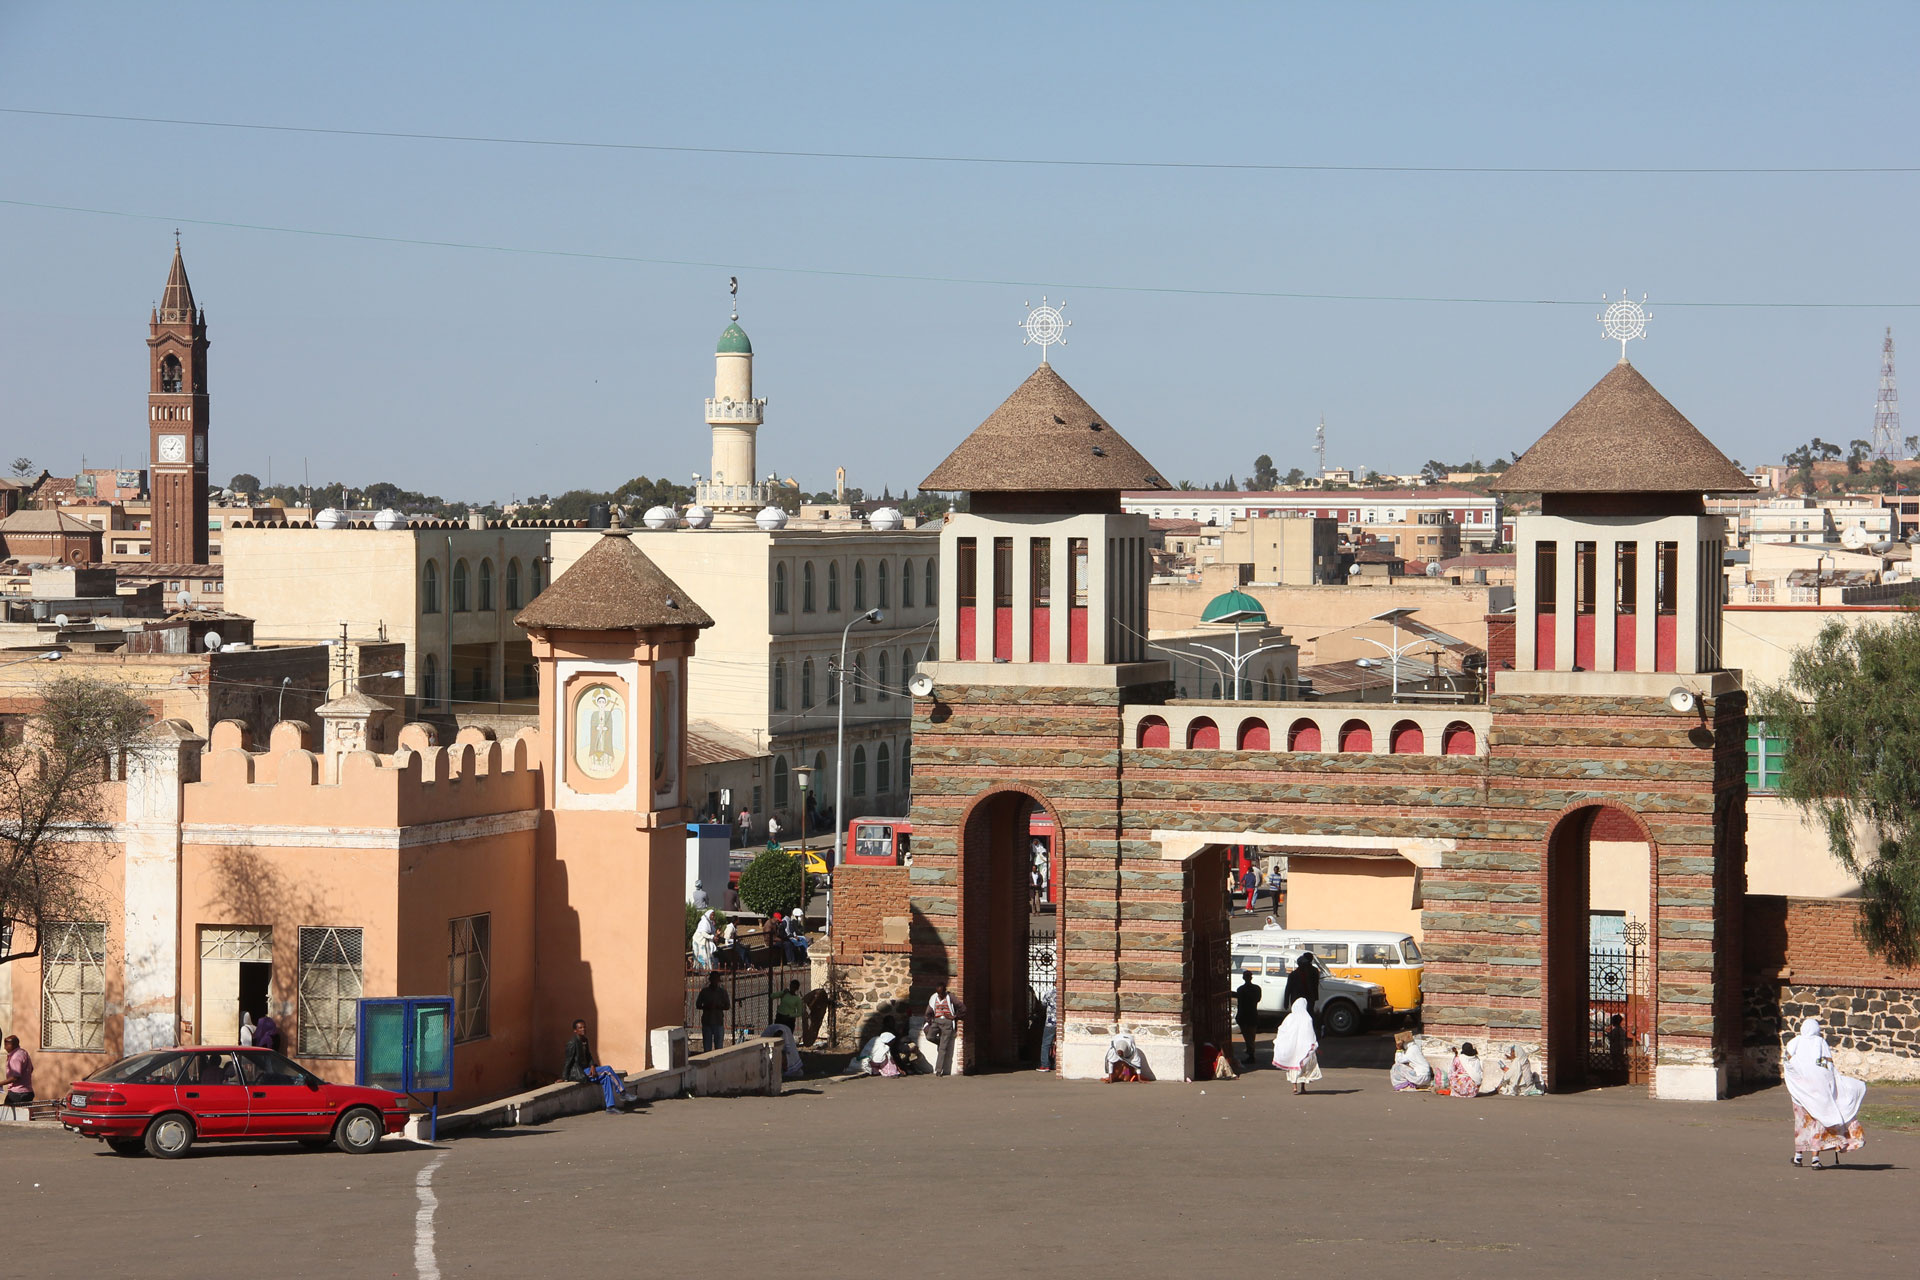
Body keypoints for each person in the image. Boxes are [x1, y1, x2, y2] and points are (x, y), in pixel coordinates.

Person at [1784, 1016, 1866, 1168]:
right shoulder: (1820, 1042)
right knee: (1818, 1123)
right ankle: (1815, 1158)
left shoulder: (1794, 1042)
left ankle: (1798, 1156)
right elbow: (1826, 1064)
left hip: (1799, 1092)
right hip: (1819, 1091)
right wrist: (1822, 1077)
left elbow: (1787, 1062)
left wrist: (1801, 1073)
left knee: (1801, 1123)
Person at [1271, 997, 1321, 1093]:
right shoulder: (1307, 1018)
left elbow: (1282, 1029)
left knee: (1293, 1066)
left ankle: (1294, 1087)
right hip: (1304, 1047)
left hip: (1292, 1047)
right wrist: (1313, 1044)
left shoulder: (1290, 1017)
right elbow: (1310, 1032)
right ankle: (1303, 1087)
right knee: (1303, 1067)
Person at [927, 981, 963, 1076]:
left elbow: (962, 1008)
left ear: (945, 991)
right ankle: (941, 1042)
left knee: (942, 1049)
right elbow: (928, 1011)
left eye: (942, 993)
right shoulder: (934, 998)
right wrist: (930, 1021)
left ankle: (938, 1070)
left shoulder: (951, 997)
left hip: (947, 1022)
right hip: (936, 1021)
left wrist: (954, 1017)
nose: (940, 995)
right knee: (929, 1037)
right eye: (938, 993)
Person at [1280, 953, 1321, 1031]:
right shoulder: (1312, 971)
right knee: (1305, 1016)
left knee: (1304, 1016)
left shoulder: (1295, 974)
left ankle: (1304, 1030)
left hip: (1301, 999)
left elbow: (1288, 989)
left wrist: (1286, 1001)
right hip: (1304, 999)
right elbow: (1315, 985)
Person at [695, 972, 731, 1053]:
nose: (715, 981)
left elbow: (727, 1006)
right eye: (713, 979)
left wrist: (718, 1006)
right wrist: (707, 1006)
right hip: (707, 1021)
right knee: (707, 1048)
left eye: (716, 979)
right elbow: (698, 1005)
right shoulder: (704, 992)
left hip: (718, 1021)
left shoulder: (722, 992)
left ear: (718, 980)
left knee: (719, 1048)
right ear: (710, 980)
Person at [1234, 970, 1263, 1066]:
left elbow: (1240, 1000)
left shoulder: (1241, 989)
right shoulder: (1256, 989)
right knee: (1251, 1036)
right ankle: (1251, 1053)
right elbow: (1258, 999)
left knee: (1248, 1037)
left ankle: (1251, 1054)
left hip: (1244, 1015)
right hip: (1252, 1014)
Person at [3, 1034, 34, 1107]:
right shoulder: (23, 1052)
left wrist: (1, 1083)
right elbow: (31, 1069)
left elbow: (15, 1077)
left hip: (17, 1094)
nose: (4, 1048)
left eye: (6, 1045)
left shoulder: (15, 1057)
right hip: (28, 1092)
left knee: (8, 1115)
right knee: (25, 1115)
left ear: (12, 1045)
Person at [1036, 997, 1057, 1072]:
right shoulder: (1064, 991)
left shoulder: (1049, 994)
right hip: (1061, 1021)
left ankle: (1045, 1065)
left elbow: (1042, 1005)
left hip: (1050, 1023)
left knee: (1046, 1044)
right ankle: (1057, 1064)